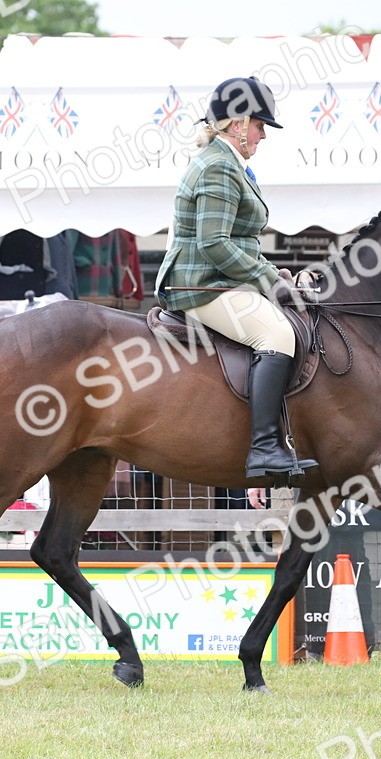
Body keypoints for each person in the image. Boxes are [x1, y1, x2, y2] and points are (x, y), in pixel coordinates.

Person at [154, 76, 317, 484]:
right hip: (198, 283)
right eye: (260, 125)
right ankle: (264, 447)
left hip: (216, 279)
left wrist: (273, 272)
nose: (263, 135)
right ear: (238, 123)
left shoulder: (228, 164)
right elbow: (214, 243)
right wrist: (266, 279)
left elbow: (239, 240)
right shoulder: (219, 167)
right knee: (277, 336)